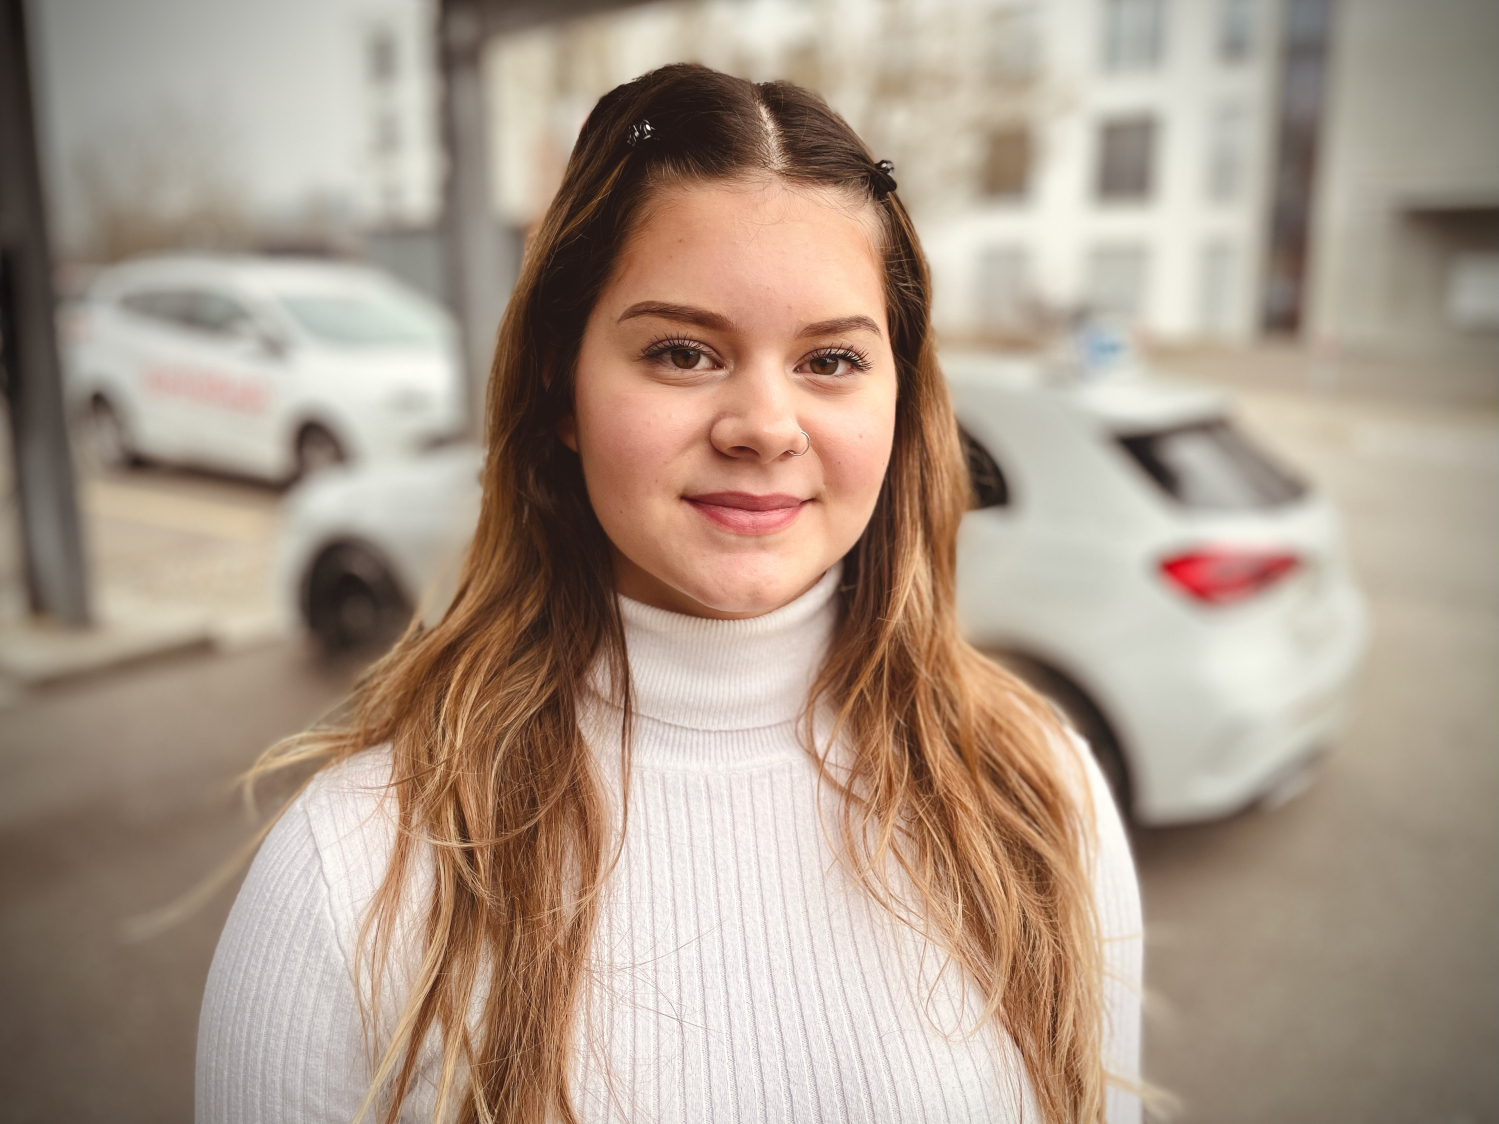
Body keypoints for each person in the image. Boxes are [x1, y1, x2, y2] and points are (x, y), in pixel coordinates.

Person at [197, 63, 1142, 1124]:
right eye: (683, 352)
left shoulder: (1042, 794)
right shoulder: (352, 872)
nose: (765, 427)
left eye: (831, 359)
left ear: (899, 393)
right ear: (560, 384)